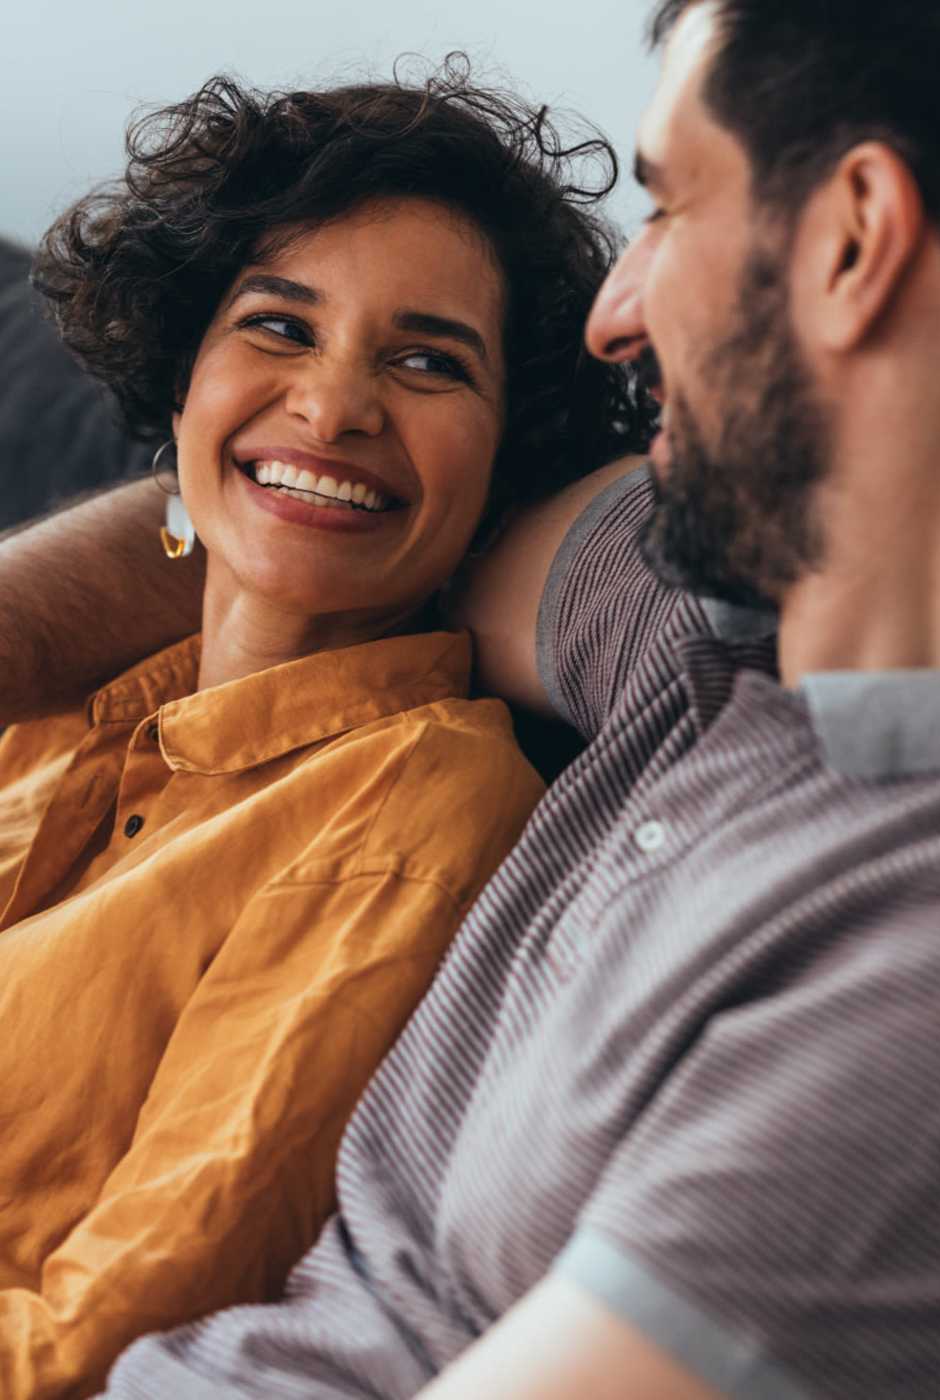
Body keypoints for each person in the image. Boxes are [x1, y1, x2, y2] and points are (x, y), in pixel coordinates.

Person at [4, 0, 940, 1395]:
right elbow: (311, 520)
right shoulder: (682, 625)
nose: (616, 314)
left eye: (667, 207)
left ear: (852, 238)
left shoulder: (937, 965)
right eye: (277, 330)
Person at [0, 64, 652, 1399]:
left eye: (426, 361)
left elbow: (97, 1349)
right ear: (182, 381)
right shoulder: (64, 705)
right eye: (280, 329)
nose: (337, 405)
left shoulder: (416, 819)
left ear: (505, 453)